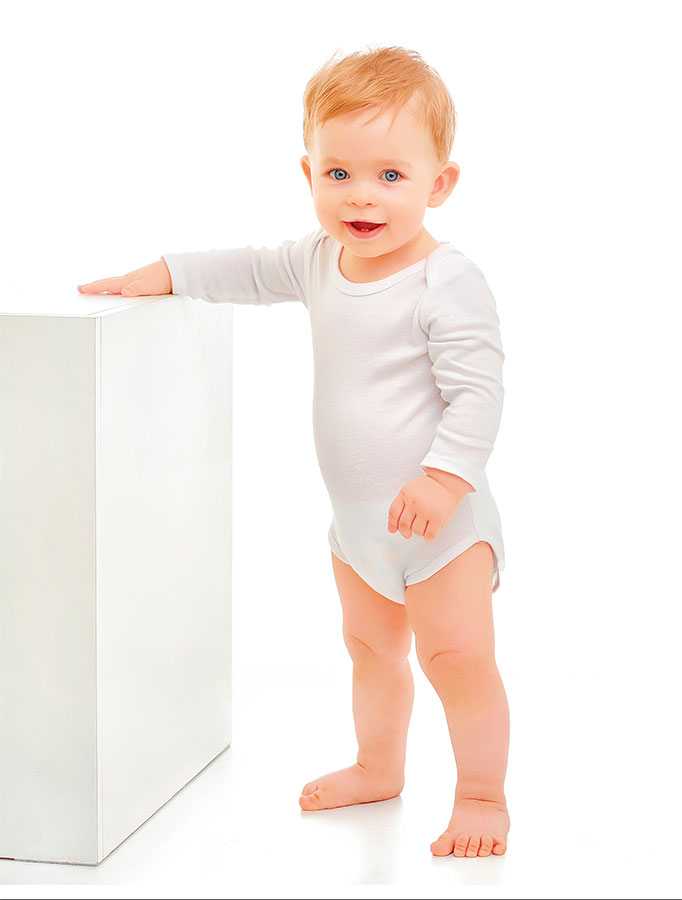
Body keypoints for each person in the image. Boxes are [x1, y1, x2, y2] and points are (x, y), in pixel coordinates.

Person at [78, 45, 510, 859]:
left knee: (457, 659)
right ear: (309, 172)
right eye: (338, 173)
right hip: (359, 530)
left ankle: (482, 795)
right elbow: (247, 270)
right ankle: (378, 766)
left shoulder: (445, 281)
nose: (361, 195)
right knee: (370, 653)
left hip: (442, 526)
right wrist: (166, 272)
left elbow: (478, 393)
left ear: (440, 183)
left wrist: (445, 480)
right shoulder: (317, 260)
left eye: (391, 175)